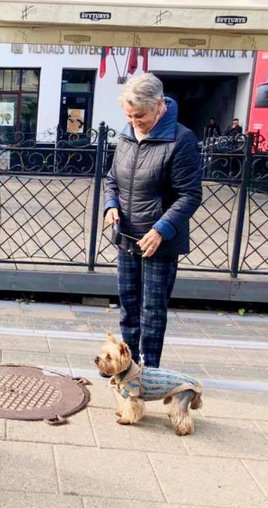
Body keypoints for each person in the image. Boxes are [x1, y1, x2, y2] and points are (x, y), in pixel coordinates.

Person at [103, 73, 202, 368]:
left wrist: (161, 229)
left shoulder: (181, 140)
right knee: (128, 308)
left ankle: (149, 370)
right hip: (127, 237)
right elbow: (112, 179)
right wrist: (110, 205)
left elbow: (190, 195)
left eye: (140, 116)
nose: (135, 122)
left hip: (158, 240)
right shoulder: (126, 135)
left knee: (152, 310)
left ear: (159, 106)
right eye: (129, 116)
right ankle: (127, 367)